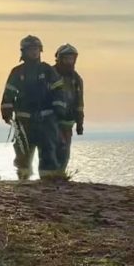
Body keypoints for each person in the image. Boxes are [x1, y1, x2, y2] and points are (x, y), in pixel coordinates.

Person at [0, 35, 66, 181]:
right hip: (24, 120)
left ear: (40, 50)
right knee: (22, 151)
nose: (34, 52)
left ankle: (47, 180)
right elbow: (9, 92)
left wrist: (59, 109)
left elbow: (58, 90)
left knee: (48, 149)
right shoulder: (17, 72)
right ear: (24, 52)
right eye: (31, 49)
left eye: (36, 49)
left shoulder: (48, 70)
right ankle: (23, 179)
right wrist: (6, 109)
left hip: (46, 119)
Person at [53, 43, 85, 175]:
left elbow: (79, 102)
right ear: (59, 59)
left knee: (65, 151)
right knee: (51, 149)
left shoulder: (76, 79)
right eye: (66, 58)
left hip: (68, 121)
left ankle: (60, 175)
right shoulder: (50, 74)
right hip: (51, 120)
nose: (69, 62)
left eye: (71, 58)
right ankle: (49, 177)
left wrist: (80, 123)